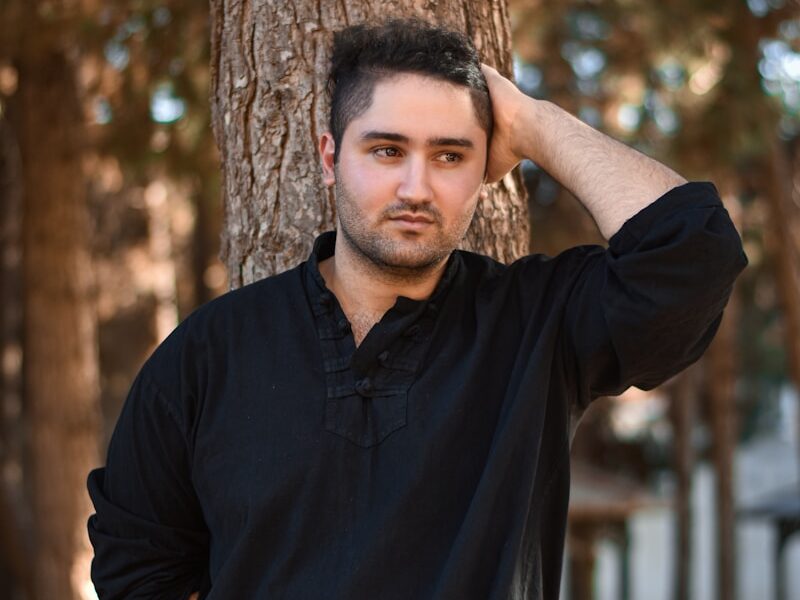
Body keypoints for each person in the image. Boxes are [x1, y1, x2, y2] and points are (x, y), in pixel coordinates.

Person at [87, 18, 747, 600]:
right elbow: (134, 566)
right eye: (386, 150)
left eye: (450, 155)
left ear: (486, 167)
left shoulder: (537, 325)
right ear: (329, 157)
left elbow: (692, 253)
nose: (416, 187)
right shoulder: (210, 353)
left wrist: (534, 125)